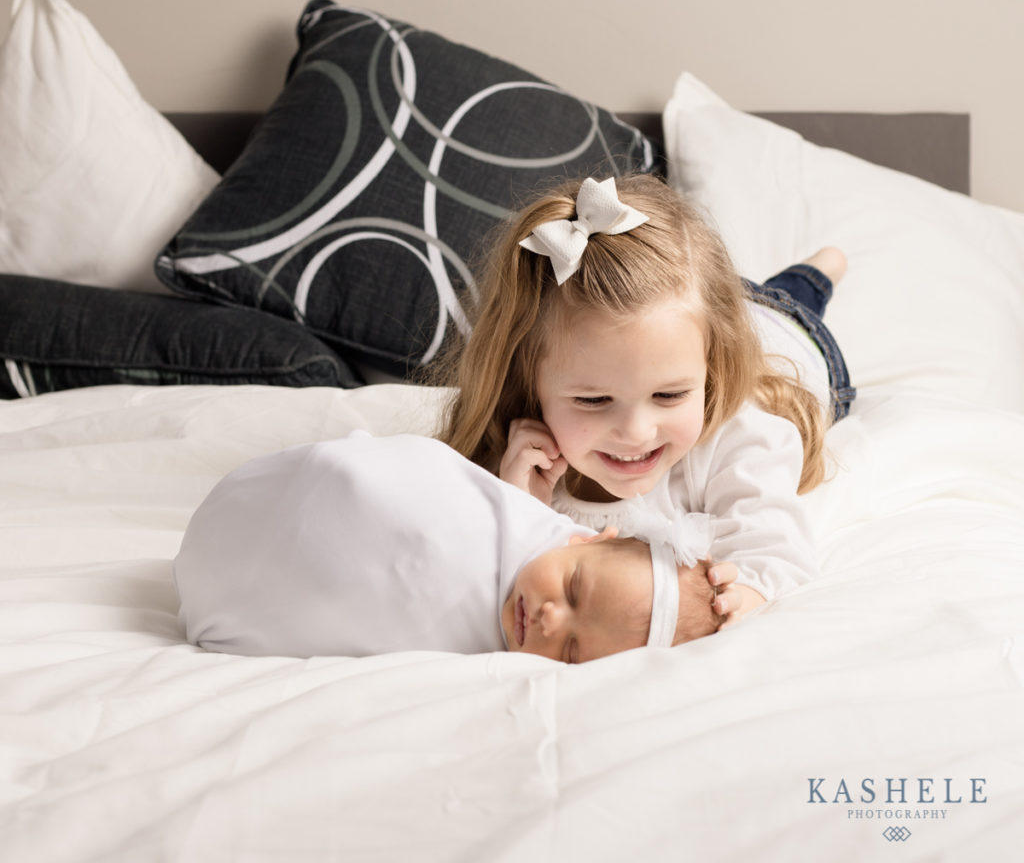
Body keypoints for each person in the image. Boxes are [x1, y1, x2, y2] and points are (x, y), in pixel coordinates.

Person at [434, 174, 855, 626]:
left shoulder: (741, 437)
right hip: (686, 322)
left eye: (669, 395)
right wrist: (520, 511)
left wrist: (745, 596)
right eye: (594, 400)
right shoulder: (517, 459)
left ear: (713, 369)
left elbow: (775, 550)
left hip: (789, 338)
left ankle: (821, 268)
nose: (636, 432)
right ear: (528, 381)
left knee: (793, 296)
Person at [173, 430, 728, 663]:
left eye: (571, 652)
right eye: (574, 587)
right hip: (273, 502)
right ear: (591, 538)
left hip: (239, 589)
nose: (550, 619)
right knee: (352, 485)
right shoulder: (528, 521)